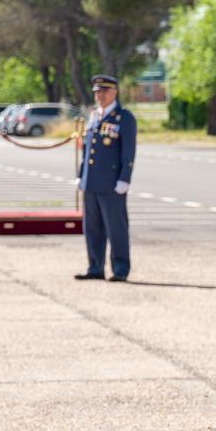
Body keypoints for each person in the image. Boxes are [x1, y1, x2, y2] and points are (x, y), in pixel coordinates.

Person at [76, 74, 136, 282]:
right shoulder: (94, 116)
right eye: (96, 92)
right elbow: (87, 150)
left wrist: (125, 178)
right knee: (92, 228)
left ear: (114, 92)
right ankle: (95, 266)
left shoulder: (123, 118)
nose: (99, 95)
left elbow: (128, 151)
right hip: (91, 181)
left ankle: (120, 269)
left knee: (116, 228)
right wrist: (80, 174)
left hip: (112, 183)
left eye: (104, 91)